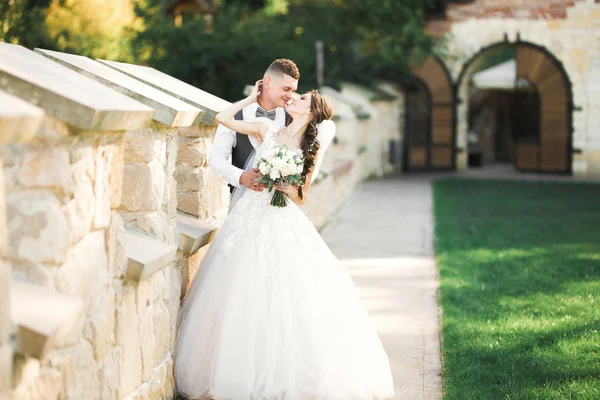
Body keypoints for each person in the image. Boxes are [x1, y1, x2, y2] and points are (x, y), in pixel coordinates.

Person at [174, 81, 395, 400]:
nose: (294, 97)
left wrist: (283, 183)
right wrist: (251, 97)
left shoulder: (311, 144)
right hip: (249, 216)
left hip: (280, 220)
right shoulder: (266, 128)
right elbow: (223, 117)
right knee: (239, 286)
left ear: (311, 110)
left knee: (283, 290)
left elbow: (301, 197)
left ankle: (279, 372)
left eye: (302, 97)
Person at [209, 59, 299, 194]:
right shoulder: (235, 113)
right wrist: (240, 176)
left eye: (293, 90)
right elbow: (216, 158)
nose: (290, 96)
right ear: (267, 82)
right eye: (286, 89)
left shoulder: (293, 118)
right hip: (241, 200)